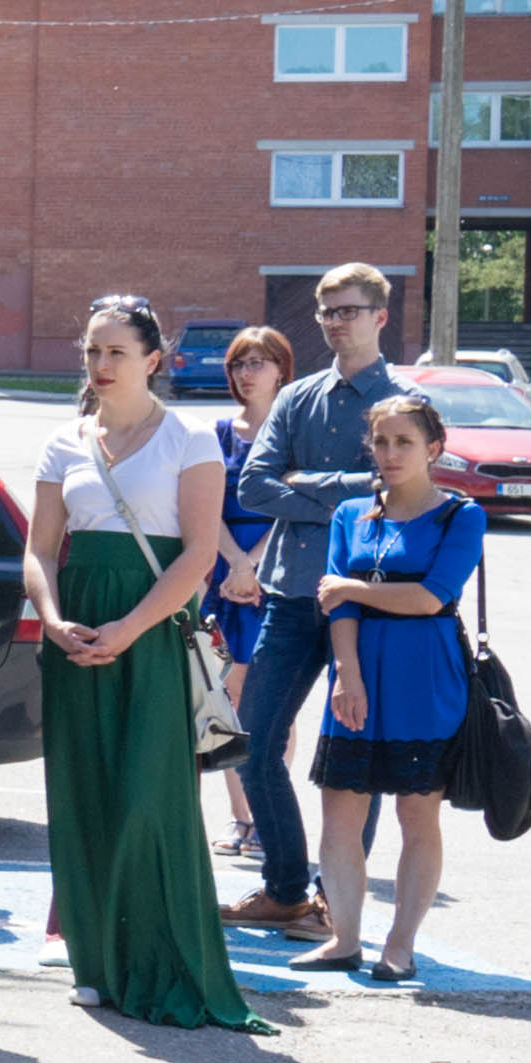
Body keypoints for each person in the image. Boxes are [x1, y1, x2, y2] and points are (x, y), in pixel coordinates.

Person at [23, 294, 257, 1030]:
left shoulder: (190, 438)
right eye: (92, 350)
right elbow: (39, 550)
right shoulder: (63, 441)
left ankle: (160, 961)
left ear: (152, 360)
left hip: (152, 629)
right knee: (82, 793)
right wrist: (52, 619)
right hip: (75, 629)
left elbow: (197, 553)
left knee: (149, 803)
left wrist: (128, 628)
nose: (99, 364)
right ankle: (94, 963)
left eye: (115, 352)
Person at [230, 260, 407, 931]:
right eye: (327, 311)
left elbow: (399, 492)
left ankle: (336, 898)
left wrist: (305, 482)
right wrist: (350, 491)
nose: (335, 322)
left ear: (380, 317)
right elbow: (253, 486)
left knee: (353, 753)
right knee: (251, 743)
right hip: (288, 593)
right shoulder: (297, 397)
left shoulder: (404, 403)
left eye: (348, 310)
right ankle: (283, 887)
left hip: (365, 602)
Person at [304, 392, 481, 983]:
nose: (390, 453)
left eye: (405, 442)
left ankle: (401, 945)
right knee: (339, 815)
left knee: (416, 812)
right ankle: (344, 939)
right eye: (381, 441)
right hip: (355, 673)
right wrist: (346, 674)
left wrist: (352, 588)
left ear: (434, 449)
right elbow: (335, 606)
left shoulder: (461, 516)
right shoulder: (350, 513)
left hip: (424, 678)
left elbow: (430, 597)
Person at [203, 323, 299, 875]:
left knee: (273, 702)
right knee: (226, 697)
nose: (246, 372)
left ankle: (267, 817)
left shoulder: (294, 432)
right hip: (224, 572)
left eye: (257, 362)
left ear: (281, 370)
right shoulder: (218, 434)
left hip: (277, 571)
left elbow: (295, 507)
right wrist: (234, 563)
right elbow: (202, 505)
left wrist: (253, 564)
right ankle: (240, 818)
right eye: (239, 363)